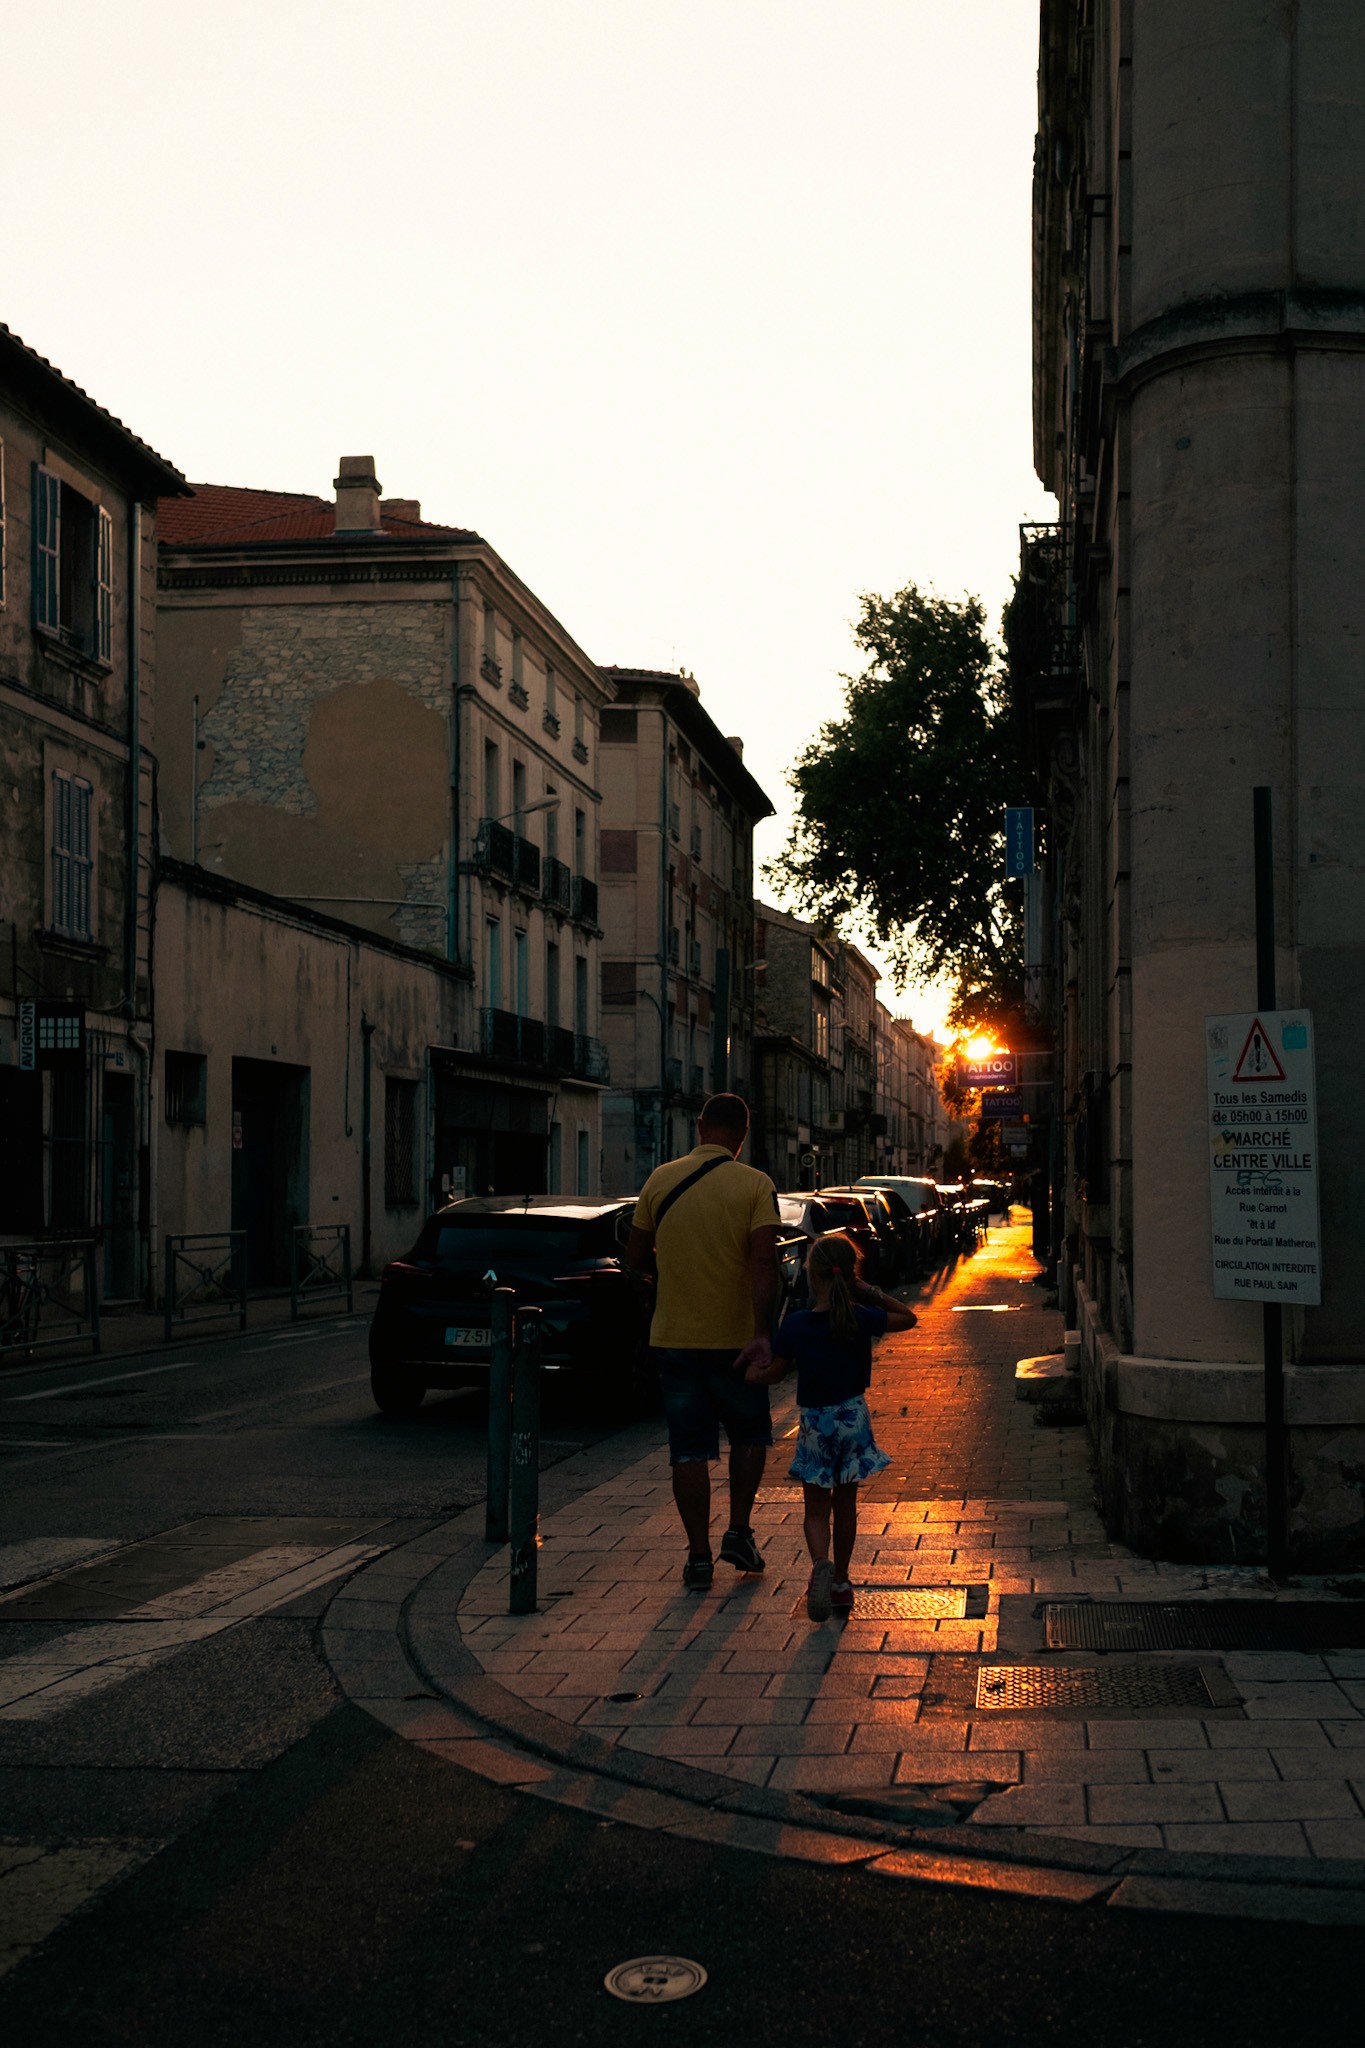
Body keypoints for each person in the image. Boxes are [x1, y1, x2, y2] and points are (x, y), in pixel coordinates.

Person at [627, 1094, 781, 1588]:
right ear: (743, 1134)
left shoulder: (659, 1179)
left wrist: (668, 1277)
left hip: (675, 1338)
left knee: (688, 1449)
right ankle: (738, 1531)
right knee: (750, 1436)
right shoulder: (756, 1185)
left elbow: (635, 1260)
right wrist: (763, 1332)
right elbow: (763, 1263)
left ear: (699, 1127)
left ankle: (697, 1557)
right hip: (736, 1340)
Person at [747, 1230, 916, 1621]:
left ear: (813, 1275)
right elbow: (909, 1318)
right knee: (846, 1504)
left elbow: (775, 1373)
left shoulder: (799, 1325)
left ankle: (819, 1564)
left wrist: (748, 1377)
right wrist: (868, 1291)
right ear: (849, 1275)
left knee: (816, 1508)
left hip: (815, 1422)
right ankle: (840, 1581)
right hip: (853, 1417)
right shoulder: (860, 1317)